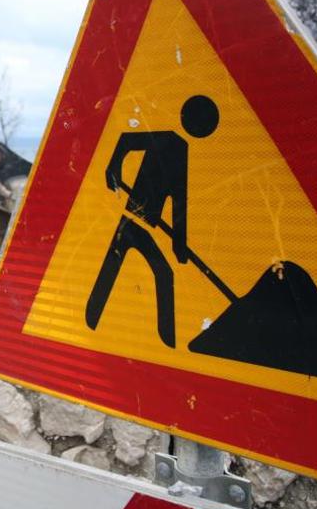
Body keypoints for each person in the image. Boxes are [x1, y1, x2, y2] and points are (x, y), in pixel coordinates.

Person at [85, 94, 219, 347]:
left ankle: (163, 340)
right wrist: (112, 169)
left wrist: (179, 244)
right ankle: (95, 321)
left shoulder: (182, 150)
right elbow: (125, 140)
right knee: (147, 271)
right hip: (130, 219)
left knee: (143, 270)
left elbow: (179, 204)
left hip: (143, 224)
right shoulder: (168, 139)